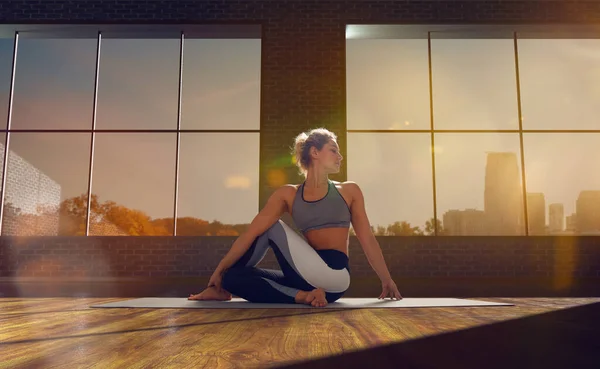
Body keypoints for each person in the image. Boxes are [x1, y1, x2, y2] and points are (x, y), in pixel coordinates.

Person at [188, 128, 402, 307]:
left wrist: (386, 279)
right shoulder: (288, 195)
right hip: (306, 279)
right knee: (232, 276)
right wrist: (219, 272)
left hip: (335, 277)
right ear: (315, 152)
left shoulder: (349, 191)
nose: (340, 156)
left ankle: (226, 287)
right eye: (334, 150)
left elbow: (367, 239)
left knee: (272, 227)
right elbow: (250, 234)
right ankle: (301, 296)